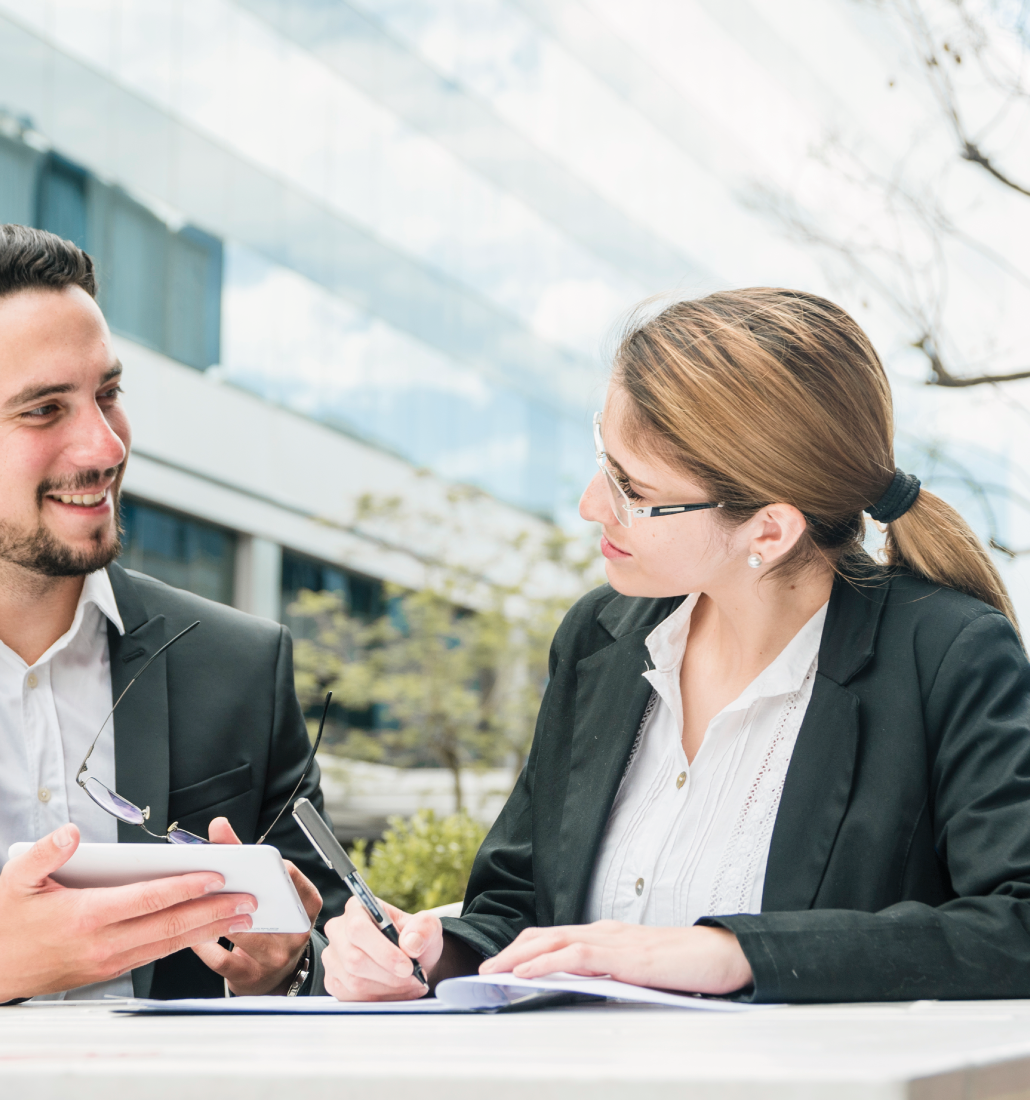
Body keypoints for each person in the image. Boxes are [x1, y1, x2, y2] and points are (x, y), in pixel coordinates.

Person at [323, 287, 1030, 1003]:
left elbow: (1016, 927)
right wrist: (436, 952)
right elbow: (523, 909)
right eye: (607, 461)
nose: (592, 506)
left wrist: (735, 952)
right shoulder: (601, 640)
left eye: (633, 488)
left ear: (769, 531)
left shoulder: (946, 655)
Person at [0, 222, 348, 1008]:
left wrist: (284, 965)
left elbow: (330, 922)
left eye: (106, 394)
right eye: (43, 411)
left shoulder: (238, 662)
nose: (103, 447)